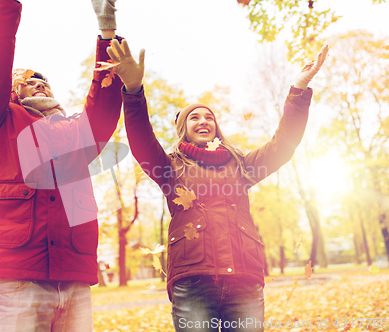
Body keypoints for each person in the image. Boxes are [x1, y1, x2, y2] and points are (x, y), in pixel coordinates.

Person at [109, 40, 328, 331]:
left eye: (209, 117)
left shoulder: (242, 166)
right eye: (194, 117)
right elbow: (140, 139)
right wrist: (134, 91)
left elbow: (284, 144)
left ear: (216, 127)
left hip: (244, 279)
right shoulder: (170, 168)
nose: (203, 121)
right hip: (193, 281)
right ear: (184, 129)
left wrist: (299, 88)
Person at [0, 0, 142, 331]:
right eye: (28, 79)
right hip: (16, 276)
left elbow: (101, 108)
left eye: (44, 80)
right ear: (11, 91)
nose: (39, 81)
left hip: (72, 276)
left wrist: (106, 27)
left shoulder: (74, 131)